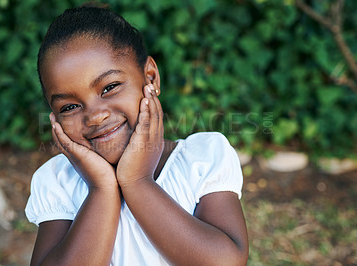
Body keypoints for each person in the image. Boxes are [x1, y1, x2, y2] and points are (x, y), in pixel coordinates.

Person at [25, 4, 248, 266]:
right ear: (55, 118)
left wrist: (138, 181)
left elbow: (226, 261)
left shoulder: (202, 159)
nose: (95, 116)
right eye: (70, 107)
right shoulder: (58, 182)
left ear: (151, 77)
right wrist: (101, 189)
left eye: (109, 87)